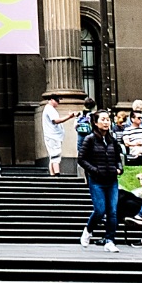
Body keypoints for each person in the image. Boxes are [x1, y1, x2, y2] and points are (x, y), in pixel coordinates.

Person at [79, 110, 124, 252]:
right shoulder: (90, 139)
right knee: (100, 210)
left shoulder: (112, 140)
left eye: (108, 119)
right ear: (96, 122)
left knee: (112, 211)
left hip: (112, 180)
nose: (106, 122)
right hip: (97, 181)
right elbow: (82, 159)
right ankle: (88, 229)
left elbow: (118, 158)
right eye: (103, 119)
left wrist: (119, 169)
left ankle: (110, 240)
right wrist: (94, 170)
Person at [41, 95, 76, 176]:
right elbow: (56, 121)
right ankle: (56, 173)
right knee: (55, 154)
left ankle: (52, 173)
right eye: (57, 101)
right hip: (53, 136)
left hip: (53, 136)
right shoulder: (49, 109)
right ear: (52, 100)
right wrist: (69, 117)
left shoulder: (49, 109)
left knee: (52, 155)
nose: (58, 103)